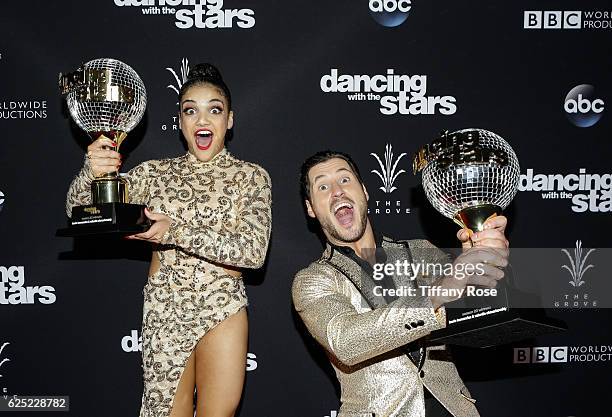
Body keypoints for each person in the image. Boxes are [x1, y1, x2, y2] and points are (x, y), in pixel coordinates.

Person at [66, 63, 272, 417]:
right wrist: (93, 172)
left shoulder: (251, 177)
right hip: (165, 308)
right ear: (180, 121)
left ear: (230, 120)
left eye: (215, 109)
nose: (202, 120)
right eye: (191, 110)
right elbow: (79, 210)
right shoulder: (155, 173)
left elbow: (252, 253)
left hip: (222, 308)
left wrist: (172, 230)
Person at [292, 151, 509, 417]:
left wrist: (483, 261)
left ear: (364, 191)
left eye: (345, 180)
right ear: (311, 208)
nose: (337, 191)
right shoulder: (313, 280)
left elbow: (480, 313)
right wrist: (439, 293)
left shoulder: (422, 252)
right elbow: (345, 341)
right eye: (323, 186)